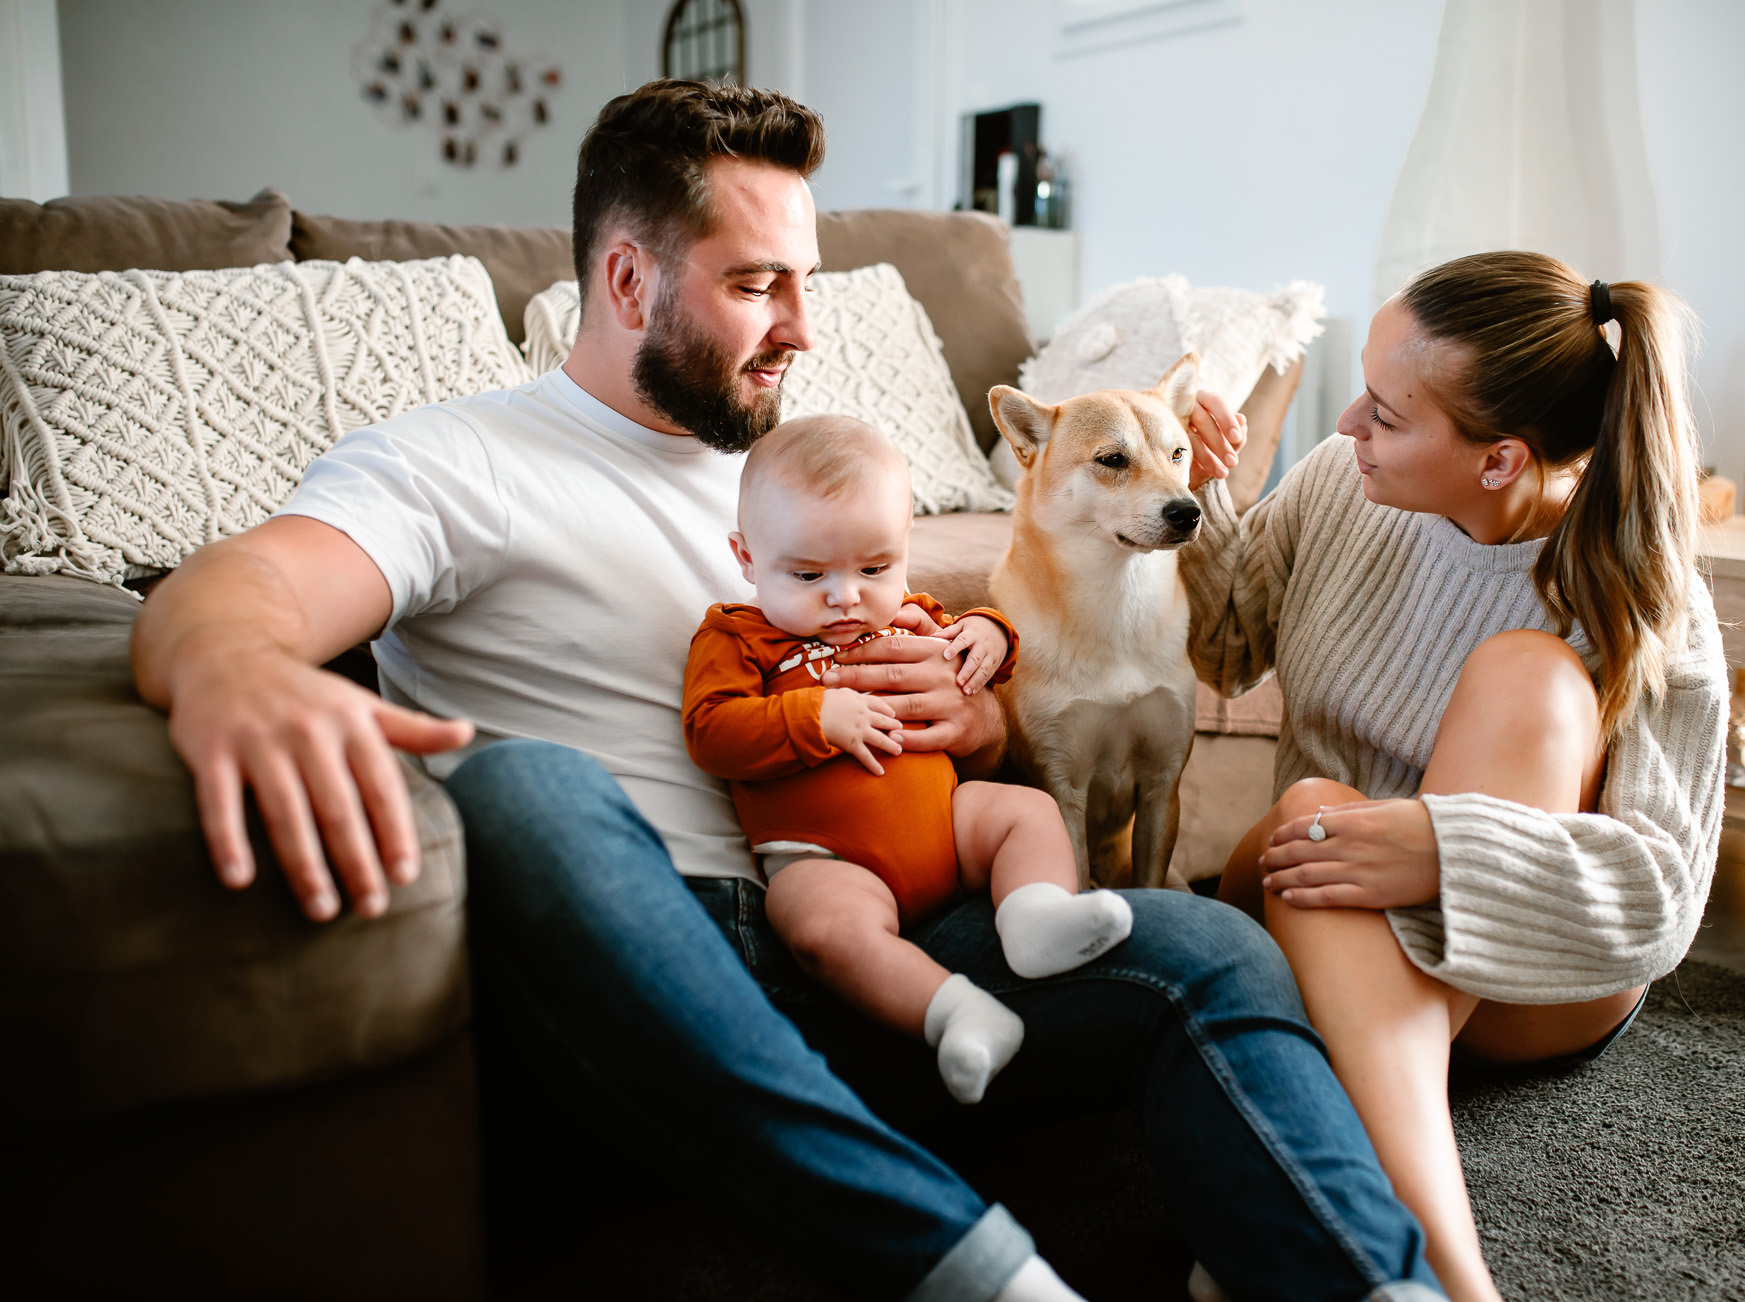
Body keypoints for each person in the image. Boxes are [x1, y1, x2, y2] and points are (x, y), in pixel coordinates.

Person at [130, 78, 1444, 1302]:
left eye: (803, 284)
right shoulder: (454, 460)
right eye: (758, 285)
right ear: (629, 276)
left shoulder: (806, 474)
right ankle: (970, 1262)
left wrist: (970, 711)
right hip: (645, 962)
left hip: (888, 950)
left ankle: (1373, 1285)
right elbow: (239, 586)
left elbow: (972, 693)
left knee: (1205, 946)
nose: (802, 330)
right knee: (521, 783)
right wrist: (235, 664)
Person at [1178, 252, 1728, 1302]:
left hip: (1529, 979)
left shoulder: (1638, 586)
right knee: (1319, 819)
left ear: (1498, 458)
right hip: (1316, 884)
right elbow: (1228, 649)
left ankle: (1352, 1205)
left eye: (1386, 413)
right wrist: (1197, 488)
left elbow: (1662, 895)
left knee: (1526, 678)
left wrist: (1446, 847)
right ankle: (1439, 1266)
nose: (1345, 424)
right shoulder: (1343, 487)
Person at [683, 413, 1134, 1105]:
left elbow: (969, 637)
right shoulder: (739, 638)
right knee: (818, 928)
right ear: (746, 559)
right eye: (807, 573)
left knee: (1024, 811)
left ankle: (1035, 916)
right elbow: (710, 732)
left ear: (903, 548)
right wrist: (813, 715)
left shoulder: (902, 615)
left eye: (874, 567)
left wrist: (990, 633)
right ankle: (957, 1014)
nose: (845, 597)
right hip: (830, 860)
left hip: (949, 828)